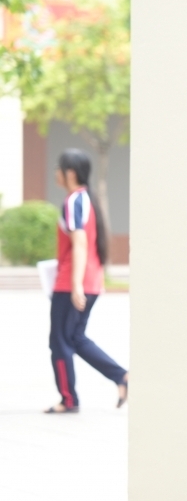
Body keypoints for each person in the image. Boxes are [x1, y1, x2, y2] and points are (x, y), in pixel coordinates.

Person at [45, 148, 128, 414]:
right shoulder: (87, 200)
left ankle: (68, 399)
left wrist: (76, 285)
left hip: (72, 283)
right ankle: (122, 377)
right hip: (89, 280)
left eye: (58, 168)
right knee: (74, 338)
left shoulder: (74, 201)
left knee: (60, 341)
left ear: (70, 173)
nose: (55, 173)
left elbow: (80, 244)